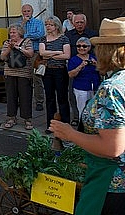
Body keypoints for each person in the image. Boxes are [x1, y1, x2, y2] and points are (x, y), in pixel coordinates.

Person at [50, 17, 125, 215]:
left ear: (107, 51)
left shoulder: (112, 88)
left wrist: (69, 133)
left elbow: (112, 147)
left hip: (111, 181)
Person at [0, 24, 34, 130]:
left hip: (24, 73)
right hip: (10, 73)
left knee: (25, 97)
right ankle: (11, 118)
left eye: (14, 32)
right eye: (11, 32)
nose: (12, 34)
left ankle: (27, 119)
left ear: (20, 33)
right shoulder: (7, 42)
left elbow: (30, 54)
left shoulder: (27, 41)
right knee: (11, 97)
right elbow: (3, 57)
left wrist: (18, 48)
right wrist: (9, 48)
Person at [39, 15, 71, 133]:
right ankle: (51, 125)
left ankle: (65, 124)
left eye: (50, 25)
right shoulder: (43, 39)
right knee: (50, 98)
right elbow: (42, 53)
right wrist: (57, 52)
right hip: (48, 71)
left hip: (60, 70)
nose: (48, 27)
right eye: (46, 24)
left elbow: (66, 55)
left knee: (62, 98)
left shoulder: (64, 39)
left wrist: (50, 54)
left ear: (56, 26)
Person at [66, 13, 98, 124]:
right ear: (73, 23)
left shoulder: (93, 34)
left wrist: (95, 63)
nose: (79, 24)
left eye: (81, 22)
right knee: (74, 97)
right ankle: (77, 118)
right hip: (75, 65)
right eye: (77, 22)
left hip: (93, 78)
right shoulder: (68, 35)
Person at [21, 4, 46, 112]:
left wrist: (25, 35)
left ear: (32, 11)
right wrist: (23, 25)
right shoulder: (20, 24)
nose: (27, 13)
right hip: (22, 53)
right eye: (25, 11)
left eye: (28, 11)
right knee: (24, 78)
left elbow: (40, 35)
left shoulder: (38, 23)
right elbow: (16, 34)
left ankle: (39, 101)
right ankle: (24, 100)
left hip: (35, 53)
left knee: (37, 77)